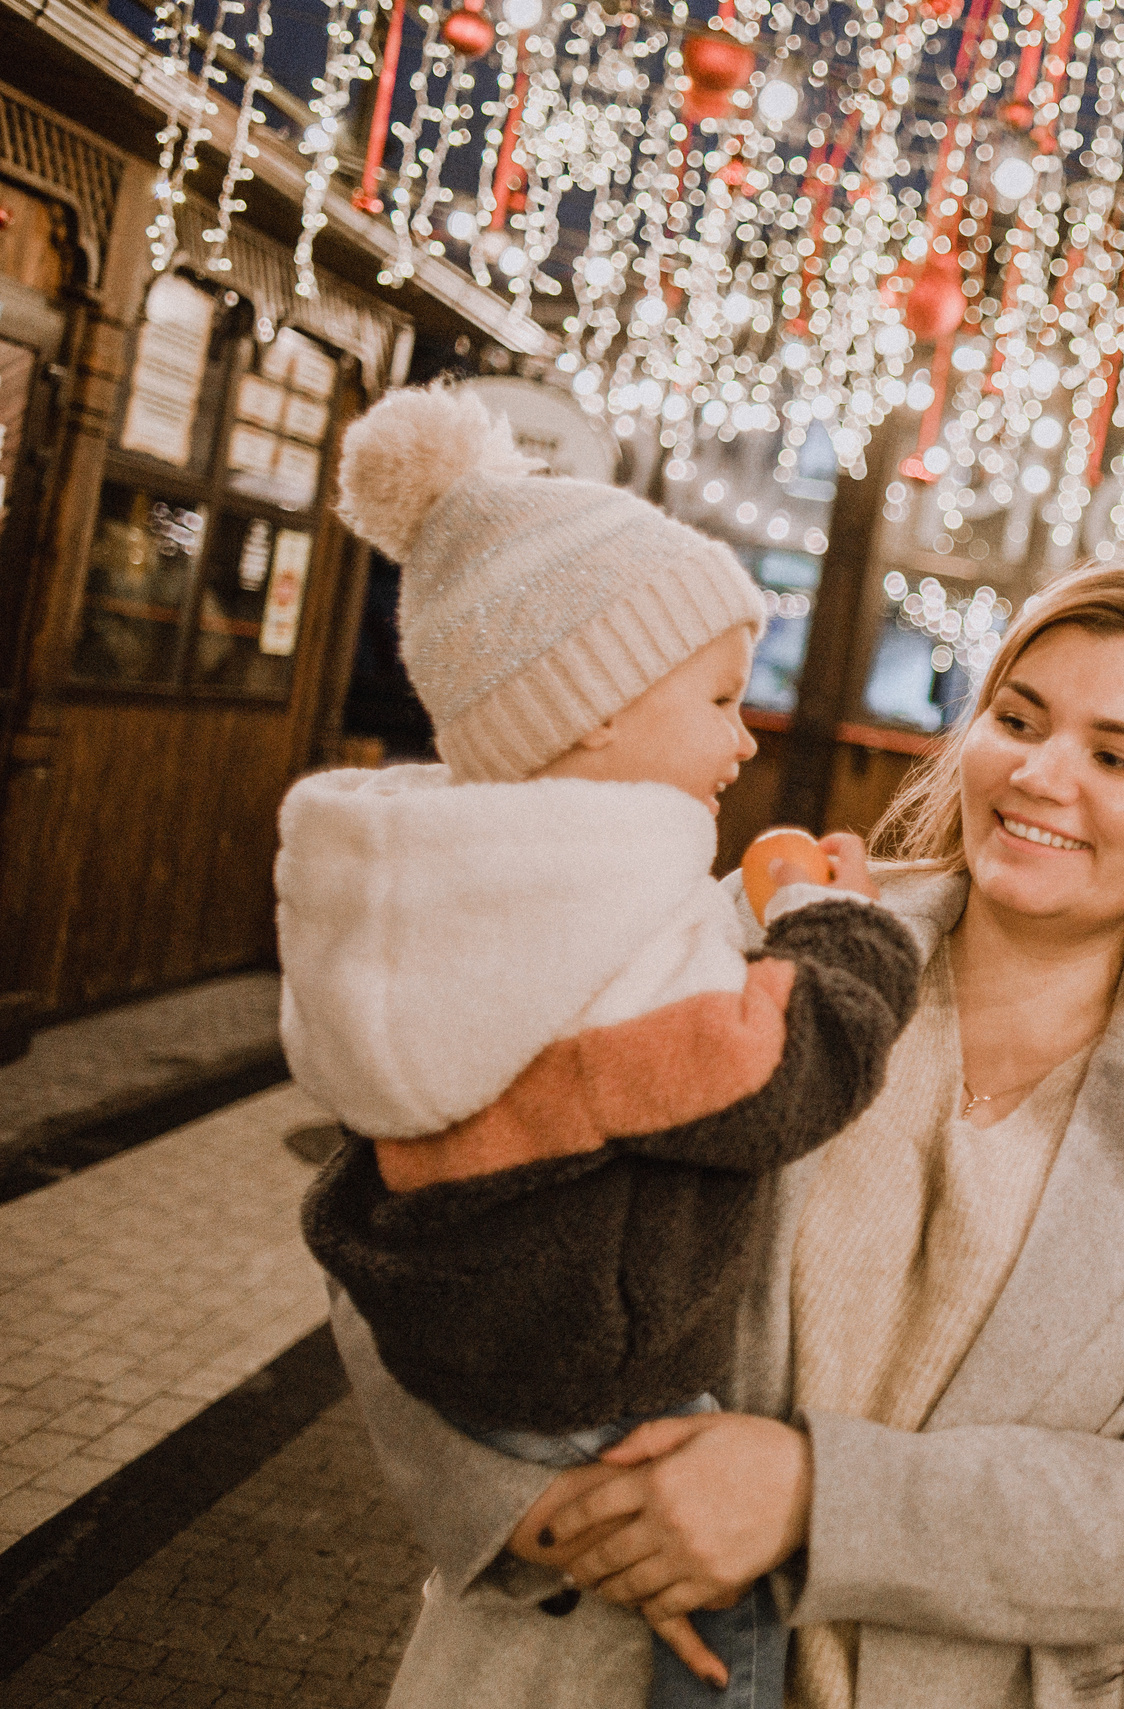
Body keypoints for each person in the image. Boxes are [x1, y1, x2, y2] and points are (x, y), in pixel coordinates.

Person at [328, 560, 1124, 1709]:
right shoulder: (766, 933)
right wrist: (544, 1509)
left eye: (1116, 757)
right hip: (580, 1656)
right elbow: (422, 1202)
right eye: (1017, 719)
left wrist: (815, 1493)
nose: (1040, 775)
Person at [283, 384, 920, 1709]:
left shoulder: (450, 882)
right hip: (594, 1361)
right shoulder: (608, 913)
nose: (745, 740)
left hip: (467, 1356)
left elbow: (600, 1024)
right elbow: (768, 1066)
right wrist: (839, 932)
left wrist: (740, 909)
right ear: (593, 711)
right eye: (721, 700)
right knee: (720, 1591)